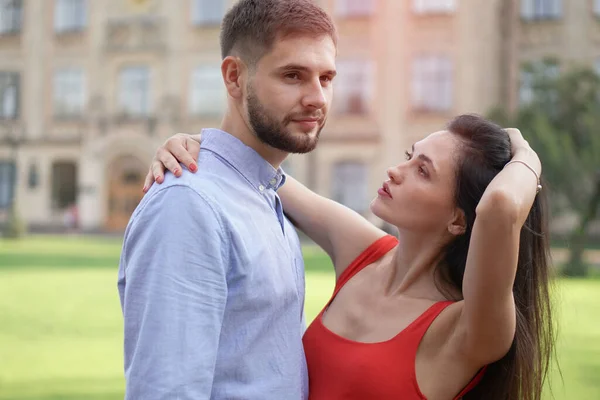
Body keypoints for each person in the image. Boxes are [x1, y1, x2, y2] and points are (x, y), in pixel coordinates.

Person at [145, 114, 555, 400]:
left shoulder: (467, 329)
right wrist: (192, 146)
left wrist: (527, 156)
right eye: (411, 155)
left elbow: (500, 207)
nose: (398, 170)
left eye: (423, 171)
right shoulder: (365, 253)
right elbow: (255, 172)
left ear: (459, 221)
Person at [117, 0, 337, 399]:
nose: (317, 98)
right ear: (234, 77)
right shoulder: (188, 205)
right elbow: (167, 391)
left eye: (326, 78)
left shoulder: (267, 194)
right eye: (293, 75)